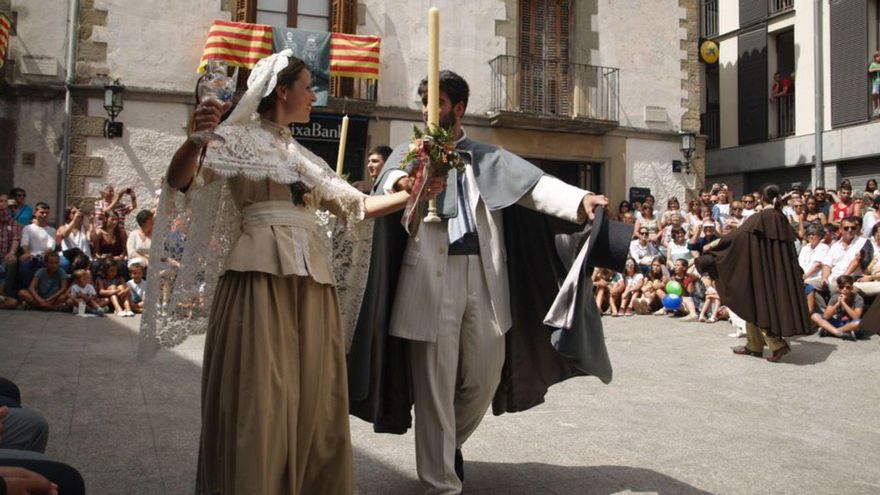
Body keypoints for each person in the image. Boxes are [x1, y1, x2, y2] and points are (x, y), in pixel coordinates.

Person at [154, 51, 442, 495]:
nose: (315, 95)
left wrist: (416, 188)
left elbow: (358, 206)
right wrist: (195, 140)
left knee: (315, 397)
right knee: (261, 397)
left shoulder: (304, 156)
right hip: (259, 279)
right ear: (282, 91)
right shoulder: (232, 139)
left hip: (312, 283)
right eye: (308, 86)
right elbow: (179, 182)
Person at [350, 69, 610, 494]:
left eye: (436, 103)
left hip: (484, 279)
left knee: (485, 377)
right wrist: (412, 179)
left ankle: (445, 445)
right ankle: (442, 484)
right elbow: (390, 180)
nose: (427, 111)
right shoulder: (411, 151)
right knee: (433, 386)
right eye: (423, 104)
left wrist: (582, 199)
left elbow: (535, 187)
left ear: (459, 108)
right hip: (428, 281)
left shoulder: (487, 157)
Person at [697, 184, 811, 363]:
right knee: (750, 303)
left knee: (758, 306)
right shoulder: (780, 217)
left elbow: (736, 236)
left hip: (761, 272)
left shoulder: (760, 218)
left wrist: (712, 245)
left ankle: (777, 345)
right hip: (777, 272)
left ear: (761, 199)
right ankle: (754, 345)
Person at [812, 275, 864, 340]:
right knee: (815, 316)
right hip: (839, 321)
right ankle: (839, 333)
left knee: (859, 323)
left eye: (848, 287)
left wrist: (844, 303)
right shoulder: (835, 297)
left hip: (850, 323)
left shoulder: (858, 298)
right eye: (841, 287)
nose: (844, 289)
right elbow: (826, 316)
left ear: (852, 288)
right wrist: (837, 304)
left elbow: (856, 317)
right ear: (838, 288)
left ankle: (831, 331)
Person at [18, 203, 57, 290]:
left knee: (45, 264)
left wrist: (44, 254)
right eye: (42, 212)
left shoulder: (52, 230)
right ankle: (27, 291)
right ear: (35, 213)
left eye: (47, 213)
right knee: (24, 265)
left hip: (45, 257)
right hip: (30, 256)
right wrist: (27, 253)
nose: (44, 215)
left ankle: (42, 292)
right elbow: (24, 243)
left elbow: (51, 245)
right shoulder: (28, 228)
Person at [0, 194, 22, 299]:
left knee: (12, 261)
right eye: (1, 210)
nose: (3, 212)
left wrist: (12, 252)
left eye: (5, 210)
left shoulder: (14, 224)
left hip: (7, 253)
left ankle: (6, 293)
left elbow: (16, 239)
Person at [870, 51, 880, 117]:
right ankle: (876, 108)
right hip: (876, 82)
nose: (879, 58)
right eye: (878, 56)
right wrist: (877, 69)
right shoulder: (873, 64)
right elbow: (870, 70)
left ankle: (878, 110)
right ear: (875, 58)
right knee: (874, 94)